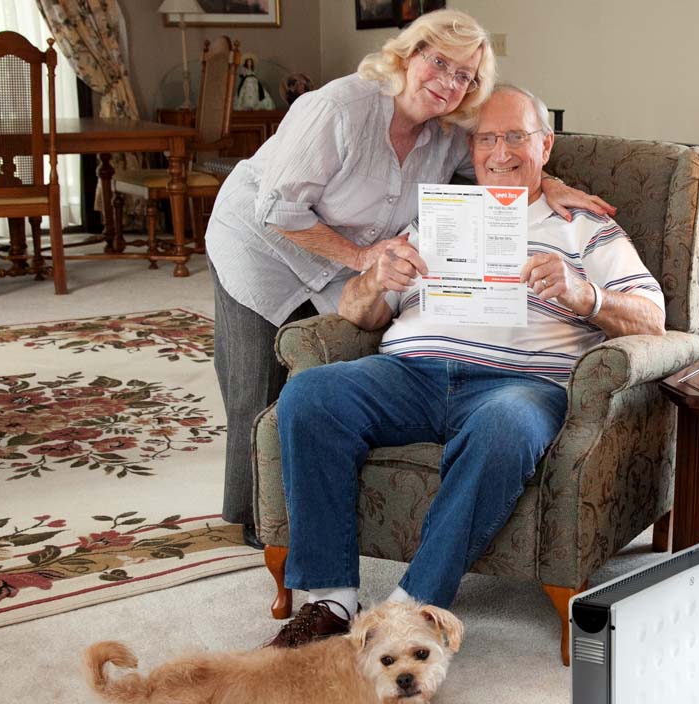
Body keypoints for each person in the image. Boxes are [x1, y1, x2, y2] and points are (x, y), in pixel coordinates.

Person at [268, 85, 665, 646]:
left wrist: (585, 295)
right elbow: (358, 314)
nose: (500, 152)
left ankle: (413, 608)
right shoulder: (435, 218)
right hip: (409, 374)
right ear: (471, 149)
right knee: (310, 394)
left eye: (516, 137)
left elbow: (653, 319)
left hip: (519, 385)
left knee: (505, 424)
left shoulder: (585, 227)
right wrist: (377, 278)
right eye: (486, 139)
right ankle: (330, 599)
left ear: (545, 146)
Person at [204, 10, 611, 550]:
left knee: (332, 361)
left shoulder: (446, 133)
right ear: (407, 55)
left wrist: (552, 183)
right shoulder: (338, 109)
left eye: (464, 74)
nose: (448, 80)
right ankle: (255, 521)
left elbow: (503, 162)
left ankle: (321, 505)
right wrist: (364, 258)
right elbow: (279, 209)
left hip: (346, 255)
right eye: (438, 61)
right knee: (256, 380)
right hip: (263, 240)